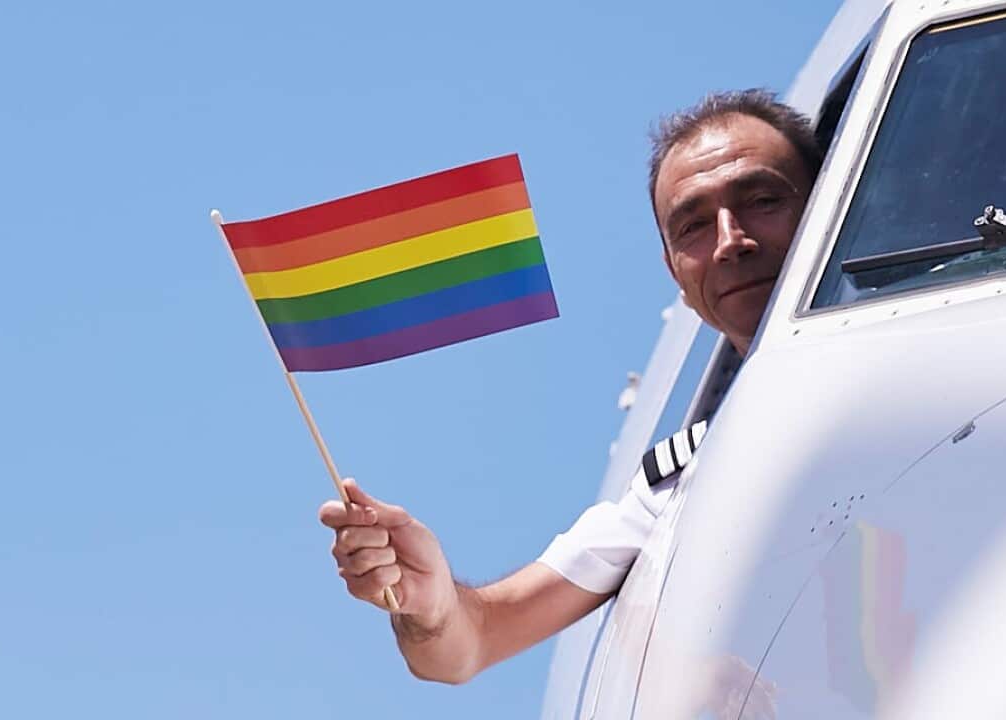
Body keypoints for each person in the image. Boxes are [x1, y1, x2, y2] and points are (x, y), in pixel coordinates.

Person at [317, 89, 824, 684]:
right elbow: (467, 644)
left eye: (763, 200)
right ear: (674, 273)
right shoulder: (679, 485)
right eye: (692, 226)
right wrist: (426, 602)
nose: (730, 240)